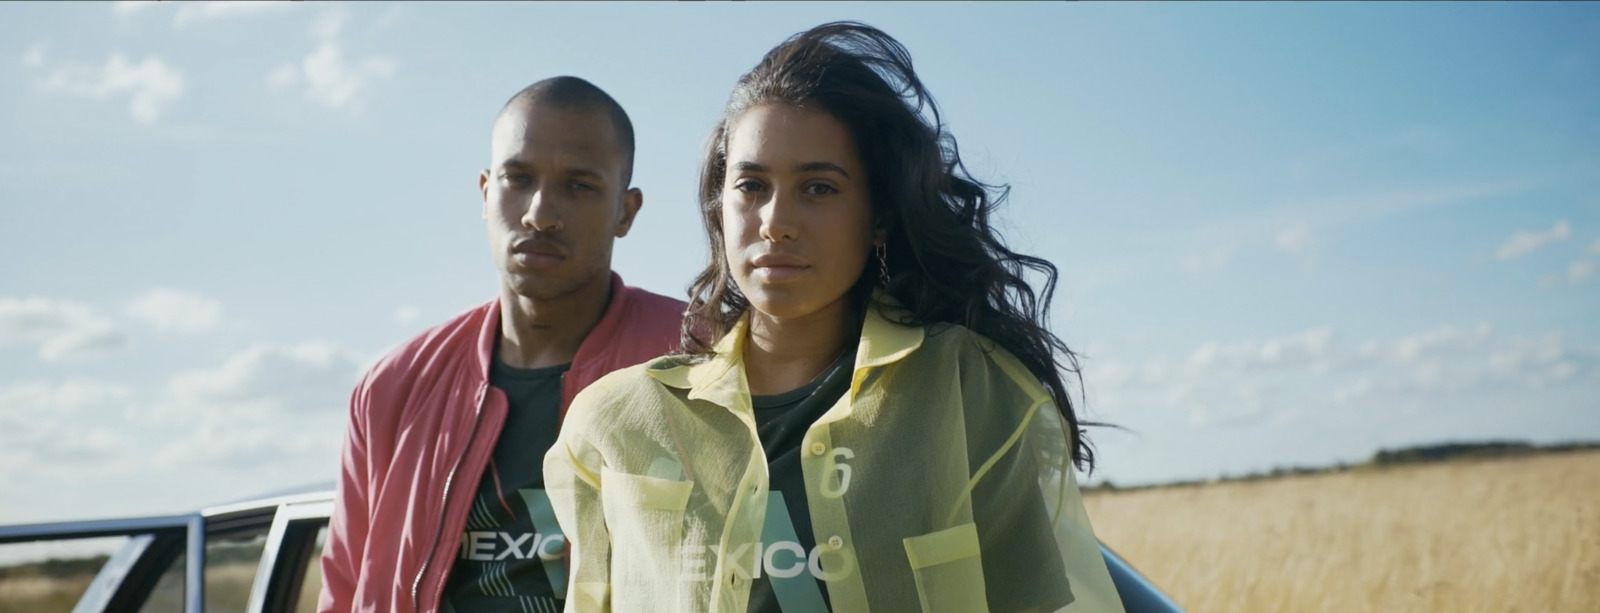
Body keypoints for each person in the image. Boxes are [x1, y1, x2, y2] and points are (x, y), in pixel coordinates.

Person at [544, 22, 1123, 613]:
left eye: (818, 188)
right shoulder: (615, 422)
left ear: (878, 216)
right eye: (751, 185)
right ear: (720, 207)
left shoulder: (969, 388)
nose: (776, 221)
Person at [318, 76, 687, 613]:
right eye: (518, 178)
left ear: (625, 211)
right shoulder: (392, 389)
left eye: (579, 185)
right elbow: (348, 590)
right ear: (487, 193)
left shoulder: (703, 360)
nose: (540, 213)